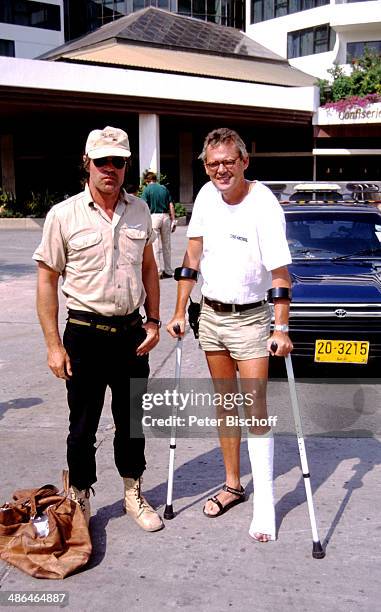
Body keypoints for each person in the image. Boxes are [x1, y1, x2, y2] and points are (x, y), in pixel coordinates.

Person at [33, 126, 163, 532]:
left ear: (127, 166)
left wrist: (154, 321)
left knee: (132, 423)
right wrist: (54, 345)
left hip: (131, 336)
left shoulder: (139, 210)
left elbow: (149, 269)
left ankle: (132, 492)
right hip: (84, 335)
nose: (111, 168)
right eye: (103, 160)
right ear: (87, 163)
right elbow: (46, 281)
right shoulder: (64, 214)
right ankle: (80, 498)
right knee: (82, 427)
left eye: (119, 161)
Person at [167, 127, 293, 542]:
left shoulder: (264, 204)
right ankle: (233, 485)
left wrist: (281, 326)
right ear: (205, 166)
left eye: (228, 161)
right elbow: (193, 255)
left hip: (253, 319)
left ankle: (265, 505)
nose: (221, 169)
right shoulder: (205, 196)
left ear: (244, 162)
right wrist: (180, 309)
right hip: (213, 315)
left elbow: (279, 274)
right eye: (212, 163)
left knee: (253, 407)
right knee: (226, 405)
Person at [141, 171, 176, 279]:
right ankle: (169, 270)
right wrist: (173, 219)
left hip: (154, 217)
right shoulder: (164, 189)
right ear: (156, 179)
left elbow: (144, 205)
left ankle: (158, 271)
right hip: (165, 216)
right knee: (167, 245)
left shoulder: (147, 190)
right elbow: (171, 205)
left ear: (147, 180)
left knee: (155, 245)